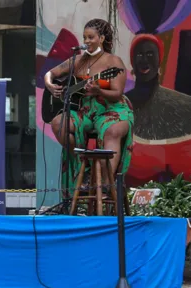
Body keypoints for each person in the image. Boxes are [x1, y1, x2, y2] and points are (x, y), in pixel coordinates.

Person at [44, 19, 134, 197]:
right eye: (84, 37)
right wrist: (50, 85)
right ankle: (82, 167)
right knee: (58, 123)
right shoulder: (78, 60)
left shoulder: (113, 62)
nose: (86, 41)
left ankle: (106, 181)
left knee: (111, 131)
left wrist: (99, 89)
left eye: (91, 37)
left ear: (101, 38)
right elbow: (51, 73)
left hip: (112, 109)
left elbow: (117, 92)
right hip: (86, 111)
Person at [124, 34, 191, 186]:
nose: (144, 60)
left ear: (160, 60)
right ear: (132, 62)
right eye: (139, 54)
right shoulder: (121, 105)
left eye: (150, 54)